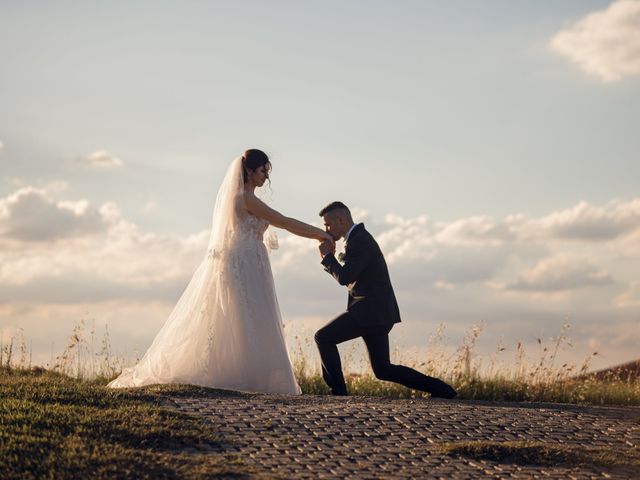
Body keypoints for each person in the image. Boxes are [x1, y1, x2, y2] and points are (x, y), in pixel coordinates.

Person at [108, 149, 333, 394]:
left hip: (252, 261)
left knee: (251, 317)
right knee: (247, 316)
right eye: (262, 171)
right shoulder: (245, 199)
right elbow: (285, 222)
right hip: (245, 263)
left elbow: (281, 221)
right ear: (249, 170)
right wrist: (321, 234)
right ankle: (248, 377)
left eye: (267, 172)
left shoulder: (247, 199)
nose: (265, 177)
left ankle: (254, 376)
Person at [315, 201, 457, 399]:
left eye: (328, 225)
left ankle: (338, 392)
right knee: (383, 370)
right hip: (377, 313)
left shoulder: (360, 240)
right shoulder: (356, 239)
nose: (326, 230)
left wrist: (328, 257)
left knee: (323, 337)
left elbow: (345, 277)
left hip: (369, 312)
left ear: (341, 220)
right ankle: (443, 390)